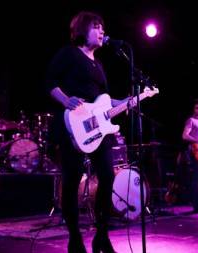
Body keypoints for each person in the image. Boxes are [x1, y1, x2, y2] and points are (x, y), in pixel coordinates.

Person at [46, 11, 123, 253]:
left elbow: (104, 100)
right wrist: (65, 99)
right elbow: (49, 81)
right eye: (97, 26)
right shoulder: (68, 53)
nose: (102, 31)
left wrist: (128, 102)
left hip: (99, 128)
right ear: (83, 29)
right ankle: (74, 237)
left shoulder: (99, 64)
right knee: (71, 180)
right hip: (73, 126)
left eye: (103, 27)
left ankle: (101, 234)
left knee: (108, 176)